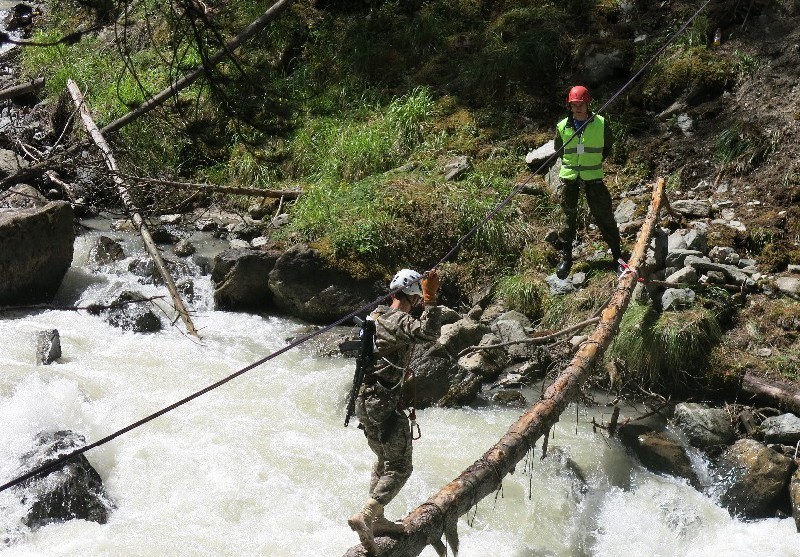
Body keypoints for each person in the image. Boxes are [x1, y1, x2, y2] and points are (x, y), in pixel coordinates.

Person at [348, 268, 441, 555]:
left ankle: (378, 520)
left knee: (383, 460)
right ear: (413, 297)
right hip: (382, 404)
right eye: (418, 299)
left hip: (364, 402)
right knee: (400, 467)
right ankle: (366, 514)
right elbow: (430, 334)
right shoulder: (398, 320)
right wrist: (432, 299)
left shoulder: (375, 316)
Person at [552, 85, 623, 279]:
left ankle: (617, 256)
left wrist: (593, 161)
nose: (578, 108)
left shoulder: (600, 123)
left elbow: (607, 146)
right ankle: (566, 258)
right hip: (570, 177)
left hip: (593, 176)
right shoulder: (562, 126)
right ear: (570, 106)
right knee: (567, 218)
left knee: (604, 215)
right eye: (574, 105)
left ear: (587, 104)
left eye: (581, 104)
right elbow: (559, 149)